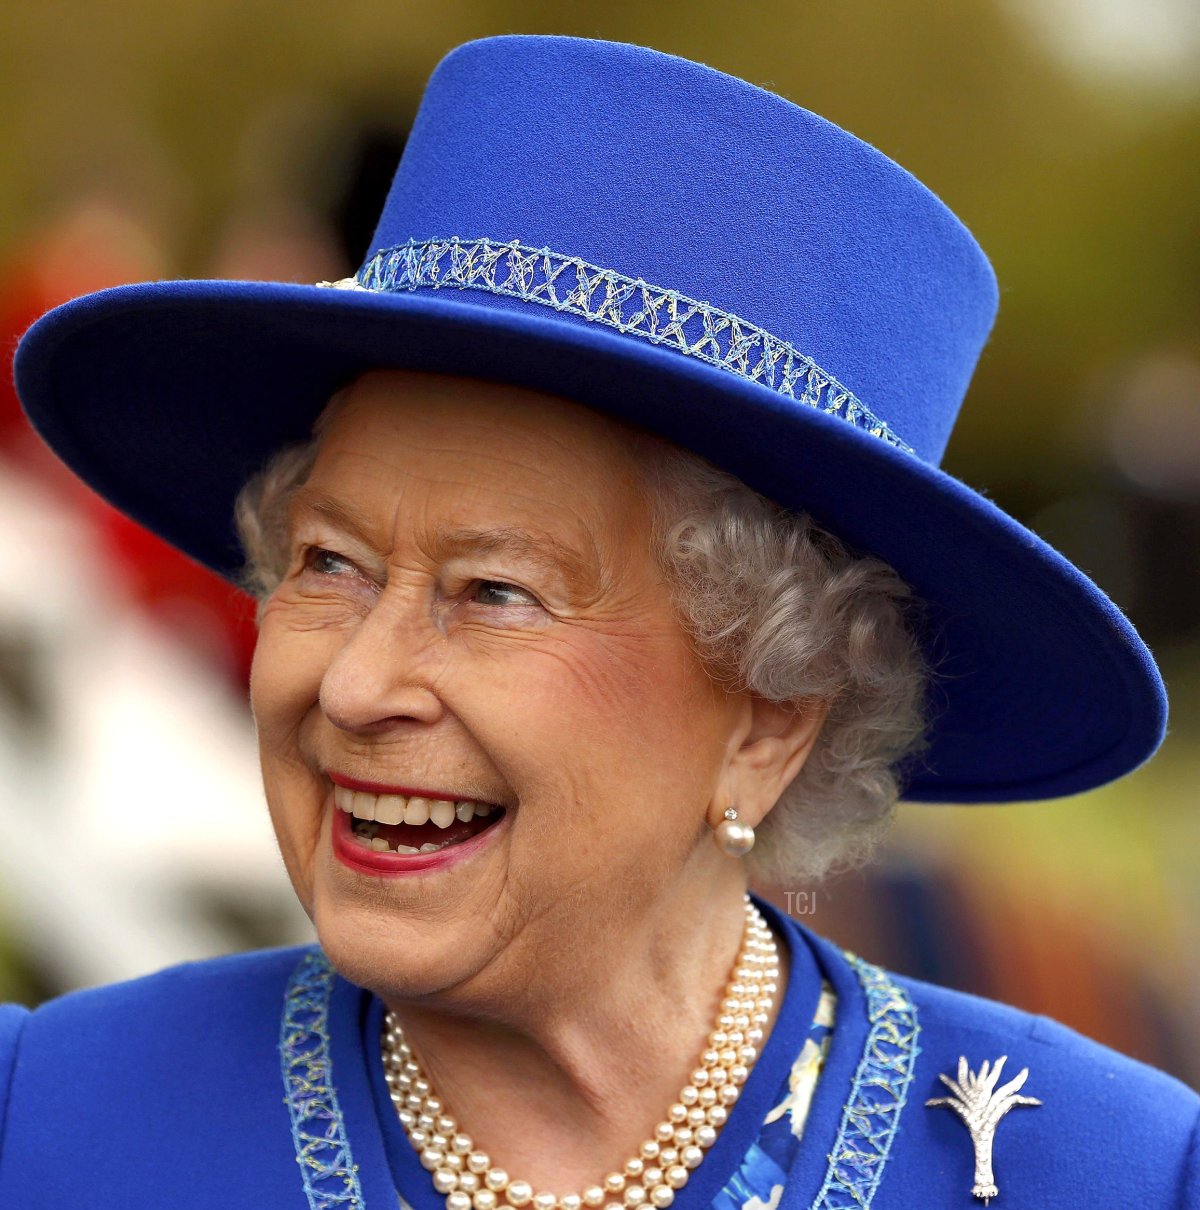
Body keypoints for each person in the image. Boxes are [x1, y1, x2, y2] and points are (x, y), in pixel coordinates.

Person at [3, 34, 1196, 1210]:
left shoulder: (1117, 1177)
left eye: (495, 592)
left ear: (769, 716)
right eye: (329, 563)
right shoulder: (42, 1125)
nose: (358, 685)